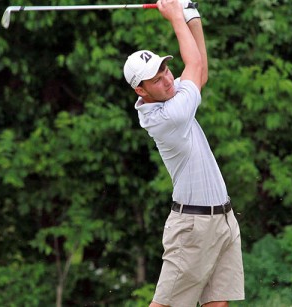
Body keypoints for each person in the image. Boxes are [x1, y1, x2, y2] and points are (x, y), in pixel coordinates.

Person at [123, 0, 244, 306]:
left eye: (165, 68)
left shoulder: (170, 97)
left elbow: (198, 72)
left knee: (219, 302)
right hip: (193, 226)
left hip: (222, 219)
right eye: (156, 78)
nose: (166, 78)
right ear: (141, 90)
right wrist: (176, 15)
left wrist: (192, 17)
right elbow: (194, 66)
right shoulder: (167, 116)